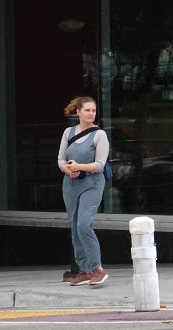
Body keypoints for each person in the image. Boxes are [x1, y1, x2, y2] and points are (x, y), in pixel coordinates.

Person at [58, 96, 110, 286]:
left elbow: (99, 165)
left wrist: (80, 166)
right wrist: (67, 169)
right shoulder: (68, 132)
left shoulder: (99, 135)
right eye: (87, 110)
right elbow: (60, 159)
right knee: (74, 226)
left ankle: (98, 269)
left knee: (84, 224)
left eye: (93, 111)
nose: (91, 114)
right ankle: (85, 270)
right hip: (70, 183)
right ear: (78, 112)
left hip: (92, 183)